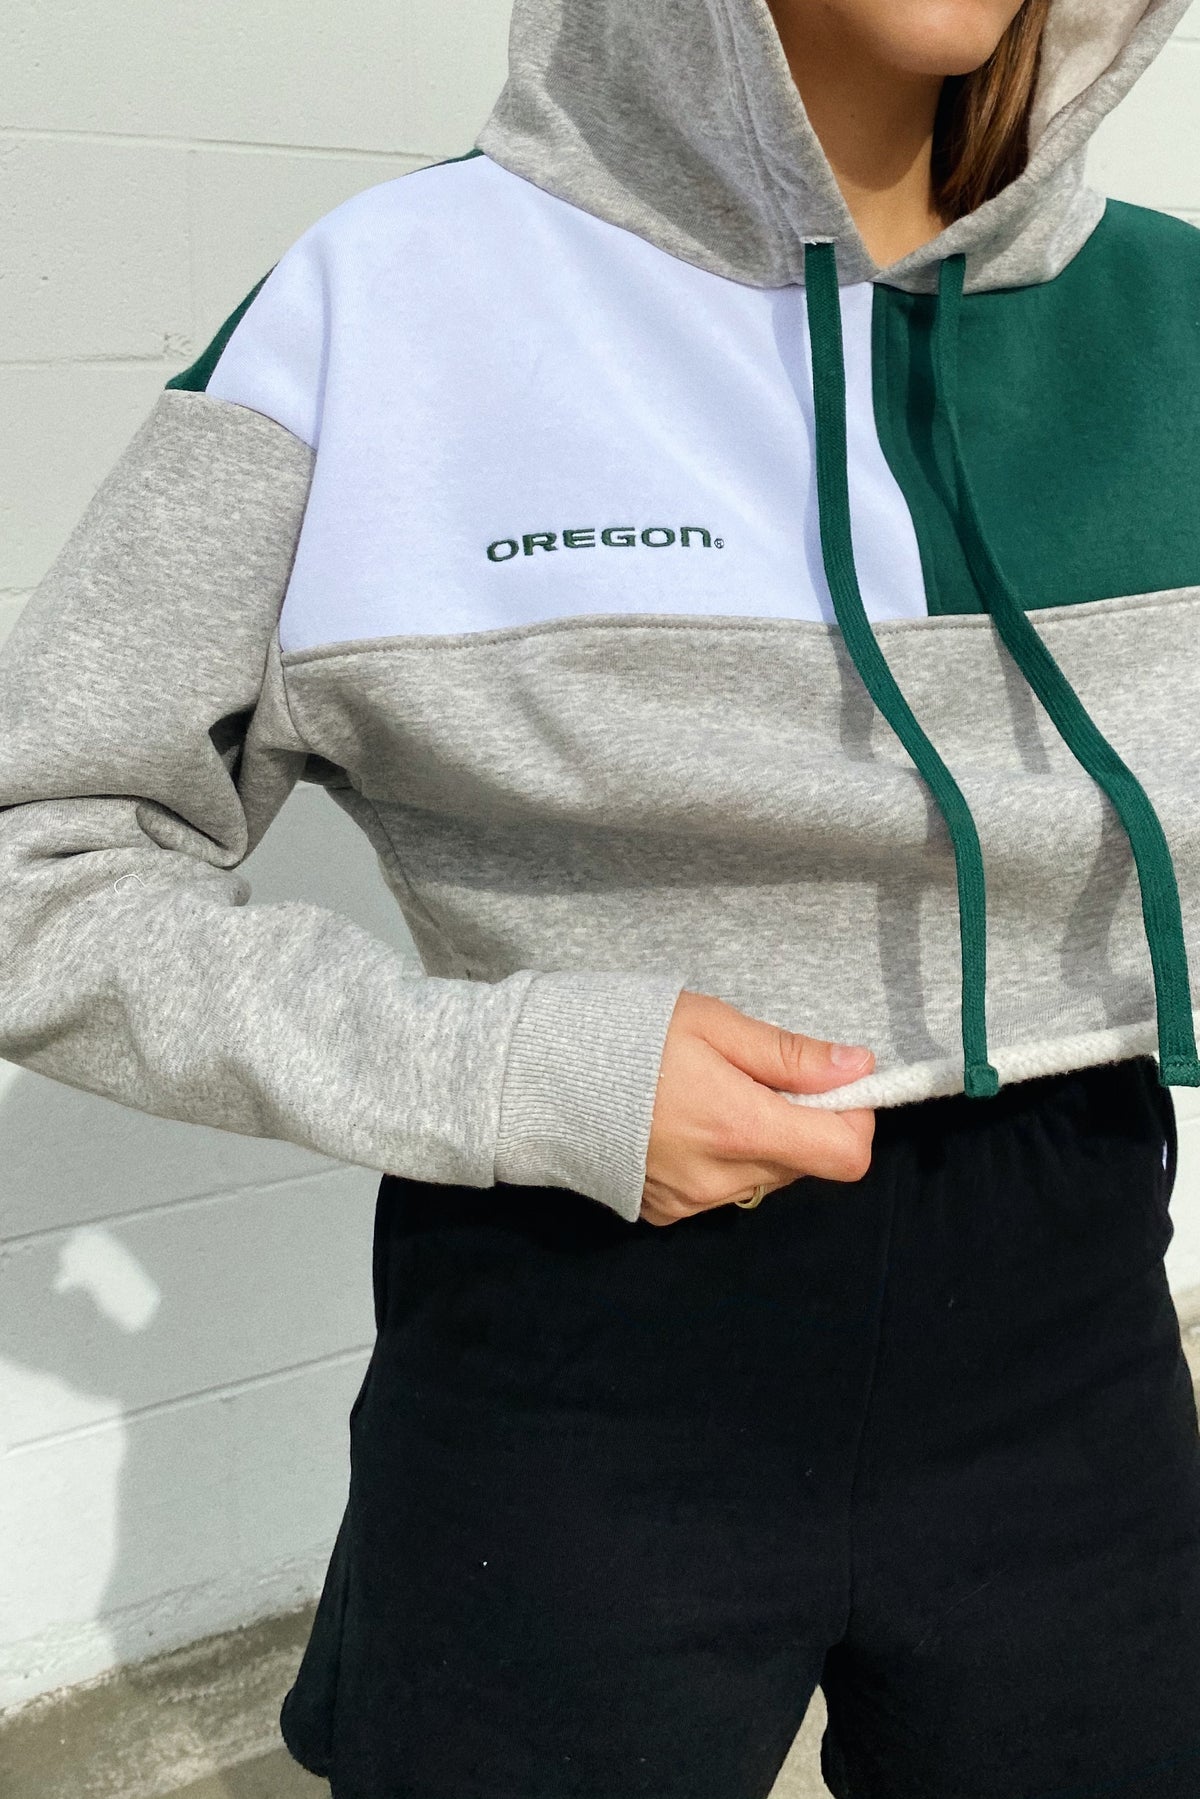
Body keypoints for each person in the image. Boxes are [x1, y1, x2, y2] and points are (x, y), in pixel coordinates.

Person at [2, 0, 1199, 1791]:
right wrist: (499, 1071)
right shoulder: (389, 305)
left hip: (1076, 1324)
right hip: (579, 1329)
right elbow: (39, 858)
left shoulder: (1173, 316)